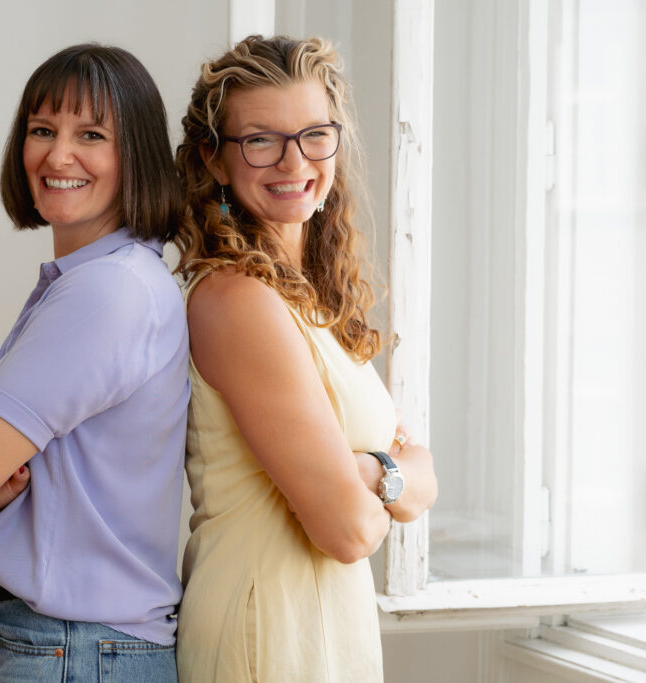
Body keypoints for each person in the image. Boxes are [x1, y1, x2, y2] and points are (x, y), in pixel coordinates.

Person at [173, 35, 438, 682]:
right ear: (214, 159)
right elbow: (348, 529)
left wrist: (370, 472)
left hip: (324, 631)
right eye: (261, 140)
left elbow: (425, 473)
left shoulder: (311, 300)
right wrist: (386, 477)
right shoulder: (236, 299)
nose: (294, 162)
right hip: (265, 631)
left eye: (314, 134)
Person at [0, 43, 187, 682]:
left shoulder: (110, 291)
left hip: (76, 651)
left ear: (137, 155)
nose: (57, 155)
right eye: (43, 130)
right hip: (82, 648)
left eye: (90, 134)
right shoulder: (107, 278)